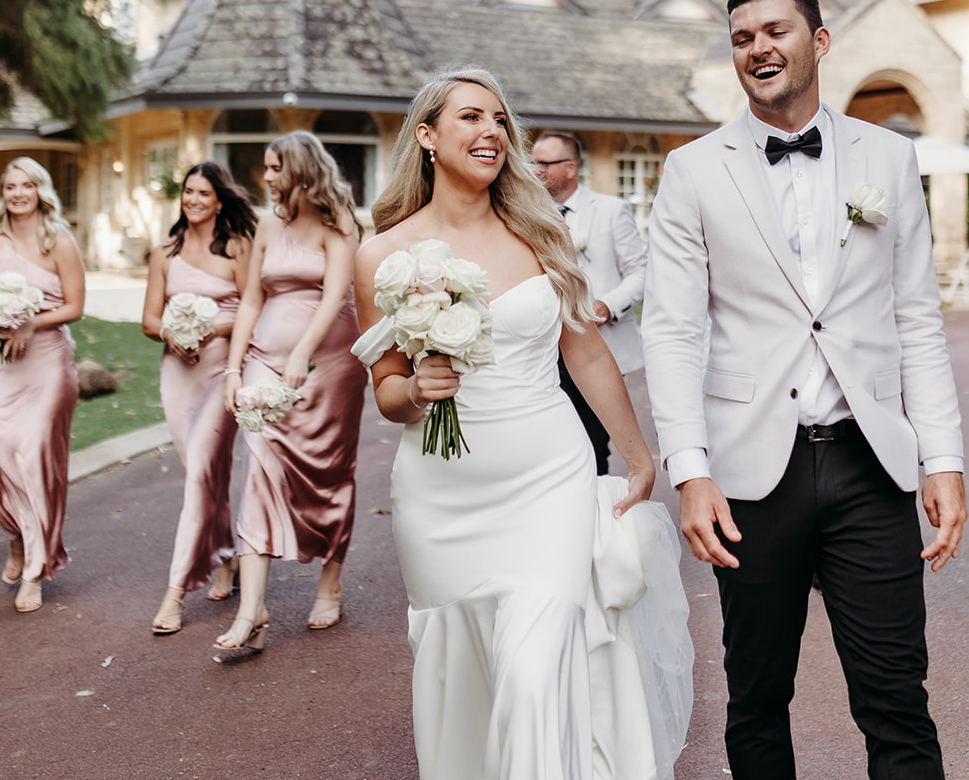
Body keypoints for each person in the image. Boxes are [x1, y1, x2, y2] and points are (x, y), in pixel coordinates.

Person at [643, 0, 967, 779]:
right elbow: (674, 331)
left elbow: (916, 317)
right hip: (752, 476)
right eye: (743, 37)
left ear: (818, 42)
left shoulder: (890, 159)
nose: (759, 48)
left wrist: (944, 458)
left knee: (897, 697)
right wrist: (691, 471)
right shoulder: (692, 170)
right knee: (756, 698)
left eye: (775, 31)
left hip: (870, 465)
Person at [352, 67, 688, 780]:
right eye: (471, 117)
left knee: (534, 677)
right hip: (442, 498)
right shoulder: (380, 256)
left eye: (501, 120)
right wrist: (417, 387)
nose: (492, 132)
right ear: (428, 137)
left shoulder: (537, 232)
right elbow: (384, 392)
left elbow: (588, 351)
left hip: (549, 479)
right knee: (465, 681)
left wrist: (637, 454)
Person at [216, 131, 367, 651]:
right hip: (264, 359)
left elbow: (334, 296)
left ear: (301, 170)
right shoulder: (265, 224)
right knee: (259, 471)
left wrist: (303, 351)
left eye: (275, 167)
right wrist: (234, 370)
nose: (268, 177)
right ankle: (252, 608)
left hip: (327, 363)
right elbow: (251, 301)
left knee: (330, 471)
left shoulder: (338, 221)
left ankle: (331, 580)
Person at [0, 157, 85, 615]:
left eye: (27, 185)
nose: (18, 193)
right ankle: (17, 536)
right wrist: (2, 315)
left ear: (41, 191)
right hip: (0, 362)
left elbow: (75, 306)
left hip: (48, 364)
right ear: (3, 192)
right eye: (10, 186)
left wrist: (30, 323)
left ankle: (35, 570)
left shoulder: (60, 241)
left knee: (35, 458)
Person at [142, 162, 258, 634]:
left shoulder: (238, 248)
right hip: (178, 375)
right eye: (188, 192)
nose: (193, 199)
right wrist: (172, 332)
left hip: (222, 373)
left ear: (219, 199)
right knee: (203, 474)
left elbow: (255, 308)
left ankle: (175, 593)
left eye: (202, 193)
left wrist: (210, 326)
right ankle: (225, 556)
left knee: (202, 476)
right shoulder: (164, 253)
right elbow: (149, 320)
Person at [532, 130, 649, 474]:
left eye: (543, 163)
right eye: (533, 162)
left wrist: (607, 305)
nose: (535, 170)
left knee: (593, 444)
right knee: (552, 447)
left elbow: (642, 273)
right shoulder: (527, 214)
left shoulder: (612, 211)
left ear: (570, 168)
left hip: (599, 347)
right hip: (543, 351)